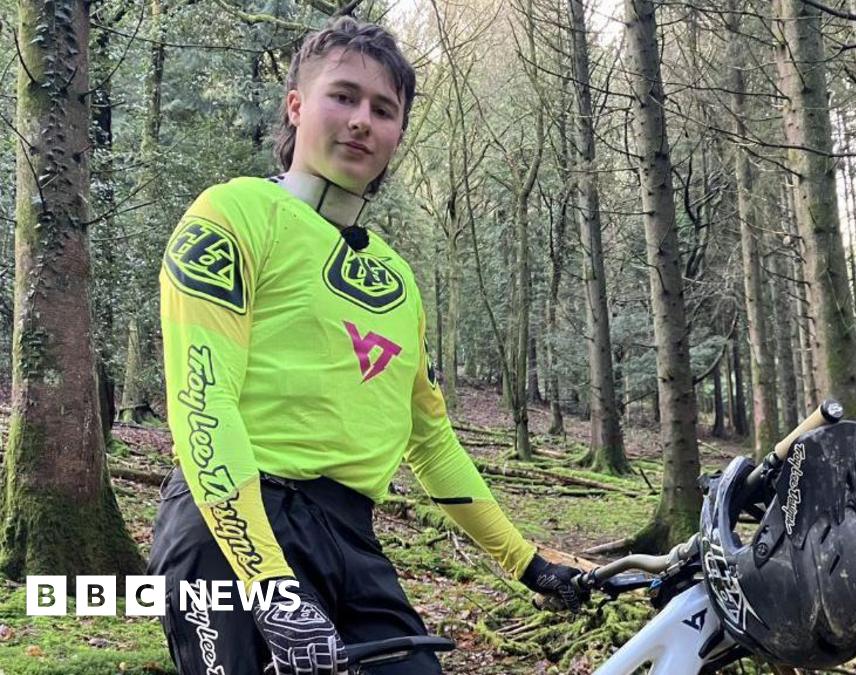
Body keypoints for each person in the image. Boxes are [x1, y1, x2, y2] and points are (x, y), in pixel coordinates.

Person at [147, 16, 583, 675]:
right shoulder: (230, 214)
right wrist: (268, 580)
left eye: (383, 109)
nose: (361, 120)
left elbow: (430, 440)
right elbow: (203, 404)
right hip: (227, 529)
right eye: (343, 96)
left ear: (398, 134)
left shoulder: (398, 280)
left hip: (349, 535)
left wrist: (529, 562)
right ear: (296, 105)